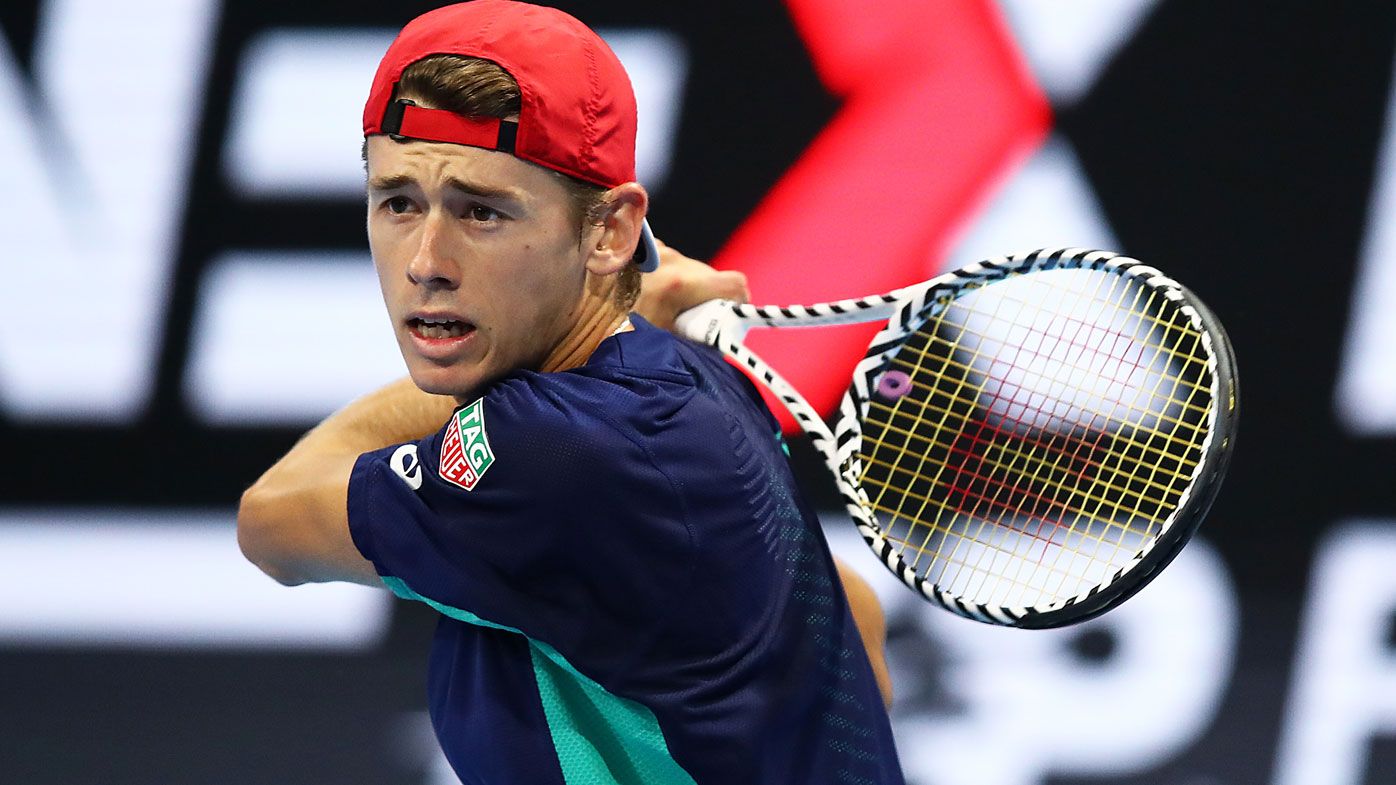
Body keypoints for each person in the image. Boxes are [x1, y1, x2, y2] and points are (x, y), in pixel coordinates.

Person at [237, 2, 904, 782]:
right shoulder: (687, 381)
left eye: (480, 211)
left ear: (611, 232)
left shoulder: (550, 452)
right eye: (398, 202)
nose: (425, 261)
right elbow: (851, 606)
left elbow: (271, 522)